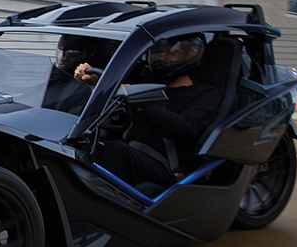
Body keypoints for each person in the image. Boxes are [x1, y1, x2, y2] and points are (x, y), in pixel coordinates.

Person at [89, 35, 220, 192]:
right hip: (134, 153)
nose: (162, 58)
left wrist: (136, 100)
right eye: (159, 53)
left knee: (115, 151)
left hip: (168, 167)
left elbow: (183, 127)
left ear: (189, 56)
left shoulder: (205, 94)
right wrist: (94, 84)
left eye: (170, 54)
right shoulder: (149, 84)